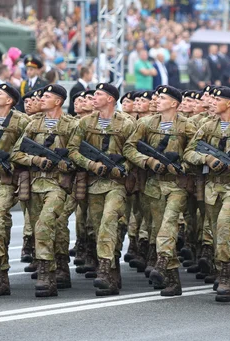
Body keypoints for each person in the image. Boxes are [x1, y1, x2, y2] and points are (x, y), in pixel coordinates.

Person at [125, 85, 196, 296]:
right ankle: (173, 281)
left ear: (174, 103)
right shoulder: (147, 123)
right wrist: (147, 161)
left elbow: (195, 151)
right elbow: (129, 147)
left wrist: (183, 165)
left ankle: (161, 264)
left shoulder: (187, 126)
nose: (157, 100)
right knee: (159, 232)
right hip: (153, 185)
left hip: (176, 185)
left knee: (168, 227)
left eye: (162, 97)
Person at [67, 83, 136, 296]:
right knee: (98, 230)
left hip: (116, 184)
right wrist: (91, 165)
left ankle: (104, 271)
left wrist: (124, 168)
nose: (93, 98)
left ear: (111, 99)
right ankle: (112, 268)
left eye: (99, 94)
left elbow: (133, 152)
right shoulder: (85, 123)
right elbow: (72, 150)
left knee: (108, 222)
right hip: (94, 183)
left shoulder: (126, 123)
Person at [11, 84, 78, 297]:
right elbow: (16, 154)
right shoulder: (33, 124)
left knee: (44, 226)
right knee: (51, 229)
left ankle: (46, 274)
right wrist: (36, 159)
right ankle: (60, 266)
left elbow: (77, 154)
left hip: (58, 186)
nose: (40, 99)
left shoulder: (71, 125)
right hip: (34, 185)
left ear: (58, 101)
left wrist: (68, 164)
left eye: (46, 96)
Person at [183, 88, 230, 302]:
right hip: (212, 188)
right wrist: (207, 159)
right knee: (216, 231)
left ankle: (226, 276)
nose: (213, 102)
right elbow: (189, 152)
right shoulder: (208, 126)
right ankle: (226, 277)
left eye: (218, 99)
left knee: (224, 228)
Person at [0, 84, 30, 296]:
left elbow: (26, 150)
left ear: (10, 101)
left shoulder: (22, 121)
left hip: (5, 180)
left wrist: (11, 167)